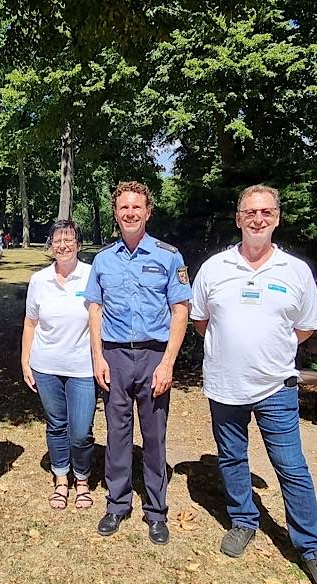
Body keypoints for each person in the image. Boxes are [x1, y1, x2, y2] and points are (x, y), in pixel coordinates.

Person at [190, 184, 317, 584]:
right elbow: (201, 321)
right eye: (250, 212)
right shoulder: (214, 268)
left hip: (276, 385)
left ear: (276, 218)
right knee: (232, 457)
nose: (258, 219)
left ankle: (312, 548)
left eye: (266, 212)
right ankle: (244, 520)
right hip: (225, 385)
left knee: (291, 467)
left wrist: (266, 349)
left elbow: (305, 328)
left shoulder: (294, 271)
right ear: (238, 219)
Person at [84, 181, 191, 543]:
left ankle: (157, 511)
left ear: (147, 211)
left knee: (155, 435)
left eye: (136, 207)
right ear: (116, 213)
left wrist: (168, 363)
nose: (129, 213)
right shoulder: (103, 259)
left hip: (153, 357)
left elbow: (181, 311)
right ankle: (117, 504)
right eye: (123, 208)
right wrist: (98, 356)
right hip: (114, 355)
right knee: (117, 432)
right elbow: (94, 310)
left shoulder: (168, 256)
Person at [21, 220, 96, 510]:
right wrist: (25, 361)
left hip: (83, 369)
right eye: (57, 240)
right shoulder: (39, 280)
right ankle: (62, 479)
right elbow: (30, 323)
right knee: (56, 425)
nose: (63, 245)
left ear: (79, 244)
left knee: (80, 430)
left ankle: (82, 478)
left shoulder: (91, 275)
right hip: (46, 366)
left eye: (69, 240)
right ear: (50, 245)